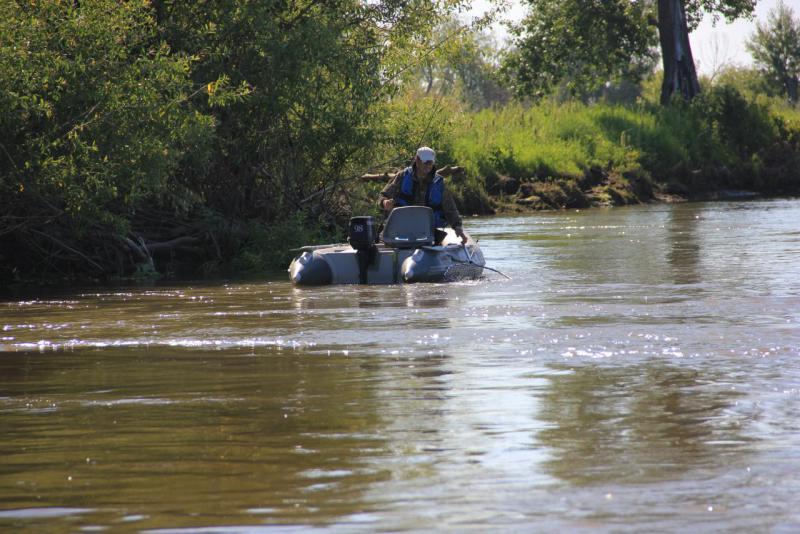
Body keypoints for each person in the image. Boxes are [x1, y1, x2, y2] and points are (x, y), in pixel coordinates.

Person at [378, 146, 468, 244]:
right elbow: (383, 196)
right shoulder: (402, 176)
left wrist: (457, 227)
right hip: (401, 228)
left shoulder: (439, 183)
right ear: (417, 160)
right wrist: (385, 202)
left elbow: (450, 209)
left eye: (431, 162)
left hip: (427, 232)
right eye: (426, 162)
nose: (428, 165)